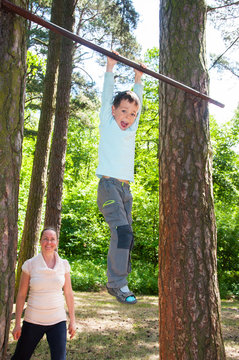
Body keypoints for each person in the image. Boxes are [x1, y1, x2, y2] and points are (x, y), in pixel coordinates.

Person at [96, 52, 145, 305]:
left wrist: (139, 79)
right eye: (123, 111)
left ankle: (118, 282)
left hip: (125, 190)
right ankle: (117, 284)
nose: (128, 117)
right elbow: (107, 96)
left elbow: (139, 103)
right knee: (123, 231)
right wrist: (110, 67)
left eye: (132, 114)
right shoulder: (108, 122)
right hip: (108, 186)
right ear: (114, 111)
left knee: (127, 236)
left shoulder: (132, 130)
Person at [11, 227, 76, 360]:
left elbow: (68, 293)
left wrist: (73, 321)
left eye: (52, 239)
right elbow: (22, 295)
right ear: (40, 241)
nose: (49, 242)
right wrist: (17, 323)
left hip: (57, 320)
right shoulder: (30, 264)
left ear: (57, 242)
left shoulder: (64, 264)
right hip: (33, 320)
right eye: (45, 239)